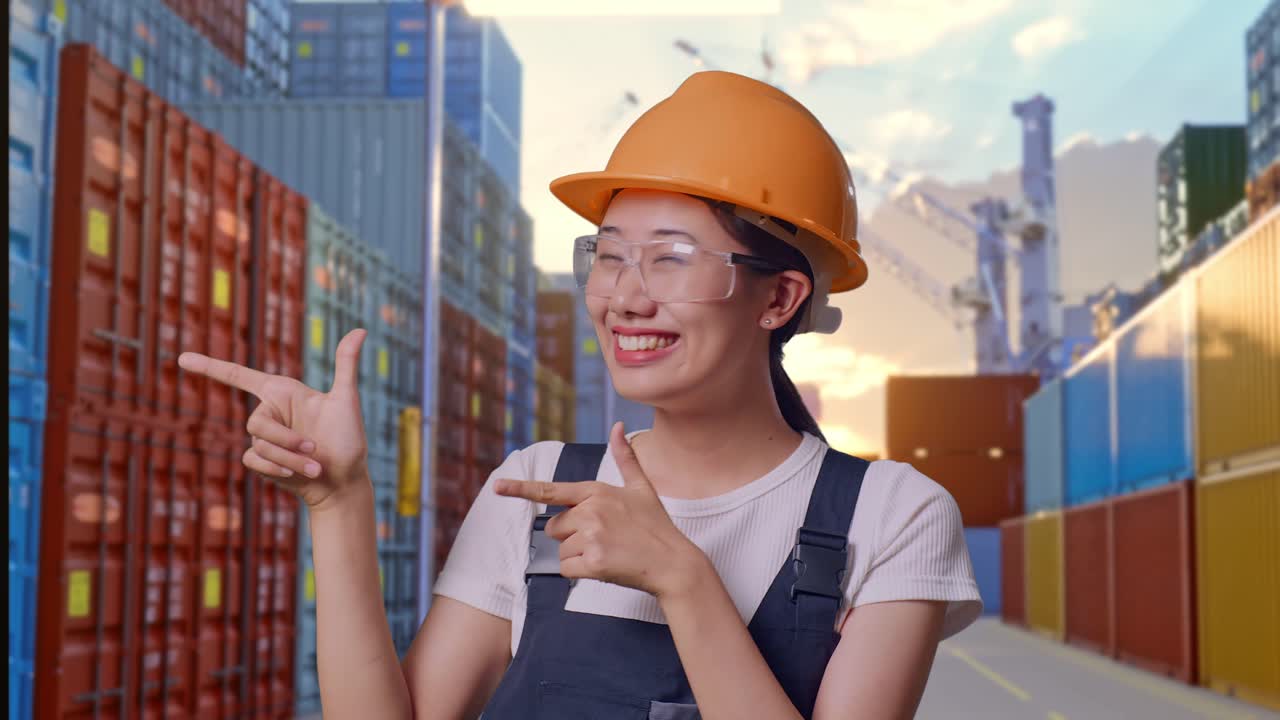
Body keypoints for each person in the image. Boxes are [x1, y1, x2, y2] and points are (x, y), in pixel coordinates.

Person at [180, 70, 981, 719]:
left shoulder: (894, 515)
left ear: (778, 300)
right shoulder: (535, 487)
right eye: (608, 256)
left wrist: (684, 577)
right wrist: (340, 503)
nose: (624, 298)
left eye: (669, 259)